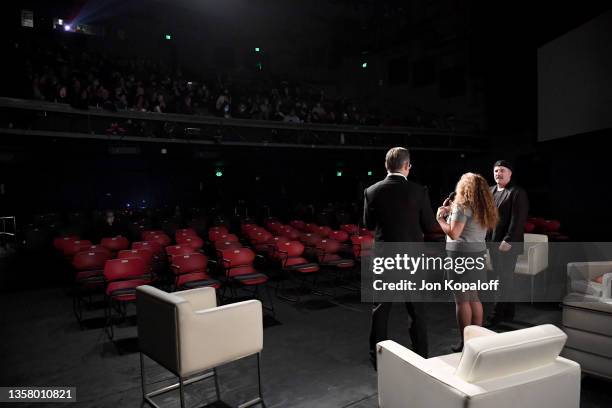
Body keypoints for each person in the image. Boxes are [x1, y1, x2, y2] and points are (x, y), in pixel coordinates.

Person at [364, 147, 438, 367]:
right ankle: (421, 355)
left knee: (381, 309)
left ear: (387, 166)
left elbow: (368, 224)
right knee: (416, 309)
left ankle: (377, 357)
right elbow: (429, 226)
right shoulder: (419, 191)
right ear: (407, 166)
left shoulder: (371, 191)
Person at [436, 173, 499, 351]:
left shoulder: (462, 205)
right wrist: (451, 212)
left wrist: (441, 218)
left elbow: (454, 233)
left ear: (464, 187)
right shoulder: (485, 206)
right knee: (474, 298)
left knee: (462, 301)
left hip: (460, 255)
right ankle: (476, 343)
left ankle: (465, 344)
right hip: (478, 253)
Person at [485, 160, 529, 327]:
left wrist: (508, 239)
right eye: (496, 170)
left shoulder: (517, 192)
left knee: (502, 279)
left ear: (510, 173)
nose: (498, 173)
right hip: (493, 242)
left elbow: (518, 219)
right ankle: (509, 313)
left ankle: (495, 317)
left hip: (508, 243)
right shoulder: (490, 191)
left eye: (502, 170)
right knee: (503, 278)